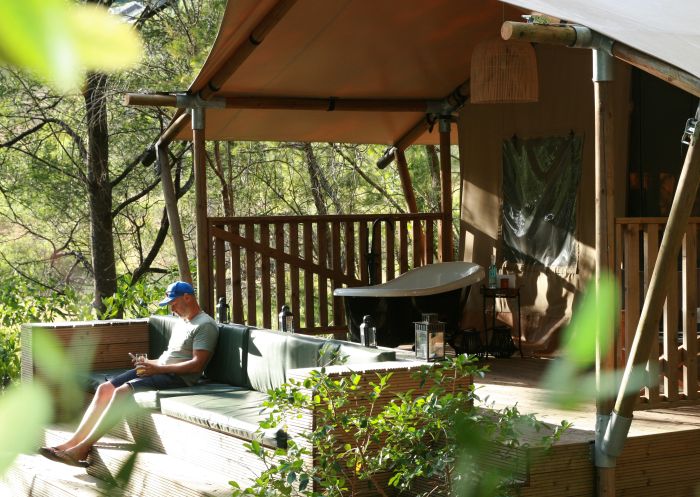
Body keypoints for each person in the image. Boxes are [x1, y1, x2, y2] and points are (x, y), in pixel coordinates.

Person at [39, 281, 219, 467]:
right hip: (161, 370)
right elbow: (170, 357)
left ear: (188, 297)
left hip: (179, 378)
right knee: (105, 388)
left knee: (121, 392)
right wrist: (149, 363)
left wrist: (158, 369)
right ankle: (70, 444)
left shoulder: (205, 325)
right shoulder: (182, 322)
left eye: (173, 303)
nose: (172, 309)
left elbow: (197, 366)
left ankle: (83, 448)